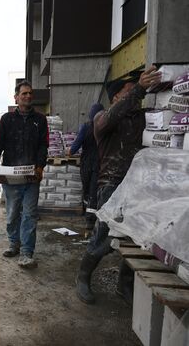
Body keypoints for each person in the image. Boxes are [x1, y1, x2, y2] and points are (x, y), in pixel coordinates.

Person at [76, 65, 162, 304]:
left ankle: (124, 284)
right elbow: (110, 118)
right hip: (112, 185)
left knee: (137, 238)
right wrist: (140, 89)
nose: (136, 92)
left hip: (140, 186)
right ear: (116, 97)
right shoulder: (102, 119)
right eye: (130, 90)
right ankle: (83, 277)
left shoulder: (141, 118)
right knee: (103, 235)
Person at [0, 81, 48, 269]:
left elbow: (43, 146)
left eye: (30, 93)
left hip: (31, 177)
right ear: (16, 97)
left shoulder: (40, 120)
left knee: (29, 214)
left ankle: (26, 253)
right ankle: (14, 243)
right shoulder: (6, 120)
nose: (28, 96)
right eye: (24, 94)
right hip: (11, 176)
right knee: (13, 214)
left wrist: (40, 167)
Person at [68, 103, 104, 238]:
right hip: (100, 163)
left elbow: (76, 145)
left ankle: (88, 218)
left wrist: (70, 151)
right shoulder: (104, 128)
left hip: (87, 163)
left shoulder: (86, 127)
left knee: (88, 190)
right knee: (95, 191)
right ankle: (91, 218)